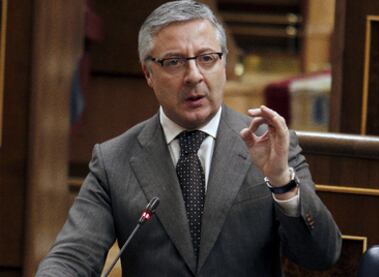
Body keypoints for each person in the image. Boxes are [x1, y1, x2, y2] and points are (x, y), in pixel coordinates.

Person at [36, 1, 342, 276]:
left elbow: (322, 255)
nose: (194, 75)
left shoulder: (272, 145)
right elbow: (72, 257)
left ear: (223, 64)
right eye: (174, 62)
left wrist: (281, 183)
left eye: (207, 58)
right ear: (148, 73)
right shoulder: (113, 160)